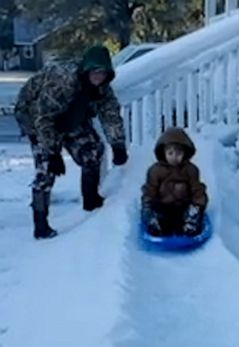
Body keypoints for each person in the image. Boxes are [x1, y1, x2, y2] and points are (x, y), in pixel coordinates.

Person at [14, 45, 128, 239]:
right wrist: (52, 152)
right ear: (87, 70)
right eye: (95, 72)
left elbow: (110, 114)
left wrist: (118, 144)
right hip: (36, 118)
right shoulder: (63, 80)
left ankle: (90, 201)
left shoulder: (102, 89)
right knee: (46, 170)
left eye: (103, 73)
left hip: (71, 117)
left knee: (93, 149)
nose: (98, 77)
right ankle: (41, 225)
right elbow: (44, 117)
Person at [141, 127, 208, 237]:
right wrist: (147, 206)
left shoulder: (190, 170)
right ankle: (155, 224)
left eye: (179, 153)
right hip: (163, 206)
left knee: (190, 216)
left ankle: (190, 224)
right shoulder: (155, 170)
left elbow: (197, 190)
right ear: (163, 153)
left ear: (185, 153)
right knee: (159, 219)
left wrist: (198, 205)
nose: (174, 157)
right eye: (170, 153)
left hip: (183, 206)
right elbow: (150, 189)